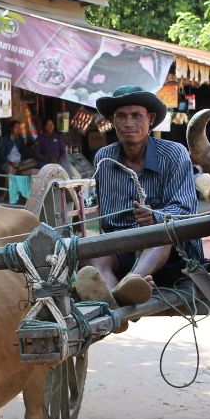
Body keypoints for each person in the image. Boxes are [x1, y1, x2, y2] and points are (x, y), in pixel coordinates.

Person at [74, 85, 202, 312]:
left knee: (162, 231)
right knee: (94, 252)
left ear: (150, 119)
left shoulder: (174, 154)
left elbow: (184, 210)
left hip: (173, 257)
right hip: (122, 251)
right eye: (121, 116)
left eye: (136, 115)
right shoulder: (104, 158)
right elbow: (100, 217)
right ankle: (116, 302)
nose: (128, 123)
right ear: (113, 122)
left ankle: (133, 280)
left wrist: (154, 216)